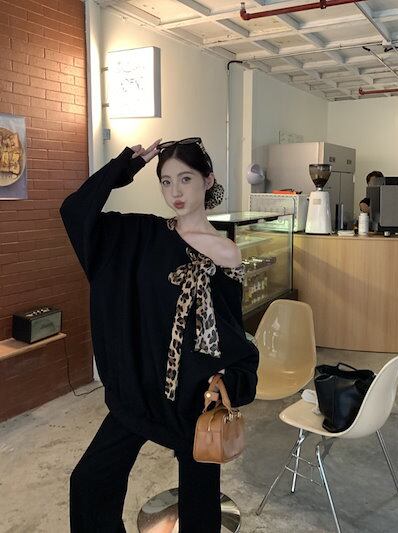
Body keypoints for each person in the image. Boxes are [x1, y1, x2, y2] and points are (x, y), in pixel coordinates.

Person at [59, 136, 260, 533]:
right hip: (140, 389)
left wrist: (230, 377)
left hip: (193, 398)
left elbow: (231, 328)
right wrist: (125, 166)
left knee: (200, 506)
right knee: (89, 481)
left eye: (185, 179)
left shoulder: (226, 253)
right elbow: (75, 211)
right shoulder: (141, 236)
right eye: (166, 182)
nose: (175, 192)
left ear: (208, 179)